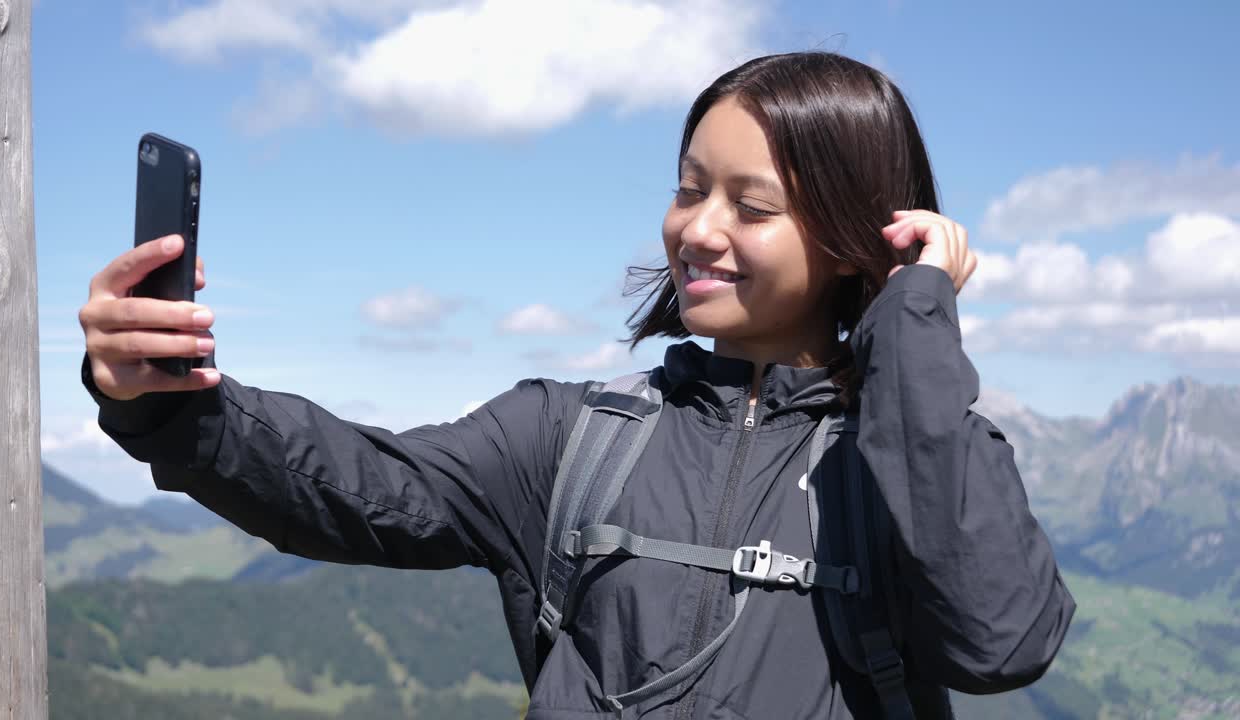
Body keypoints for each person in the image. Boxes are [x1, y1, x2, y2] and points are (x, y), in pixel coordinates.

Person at [78, 51, 1075, 719]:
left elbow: (1000, 641)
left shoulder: (911, 463)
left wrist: (911, 317)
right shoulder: (570, 436)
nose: (696, 227)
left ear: (855, 234)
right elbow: (352, 487)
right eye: (689, 187)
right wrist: (163, 396)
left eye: (749, 204)